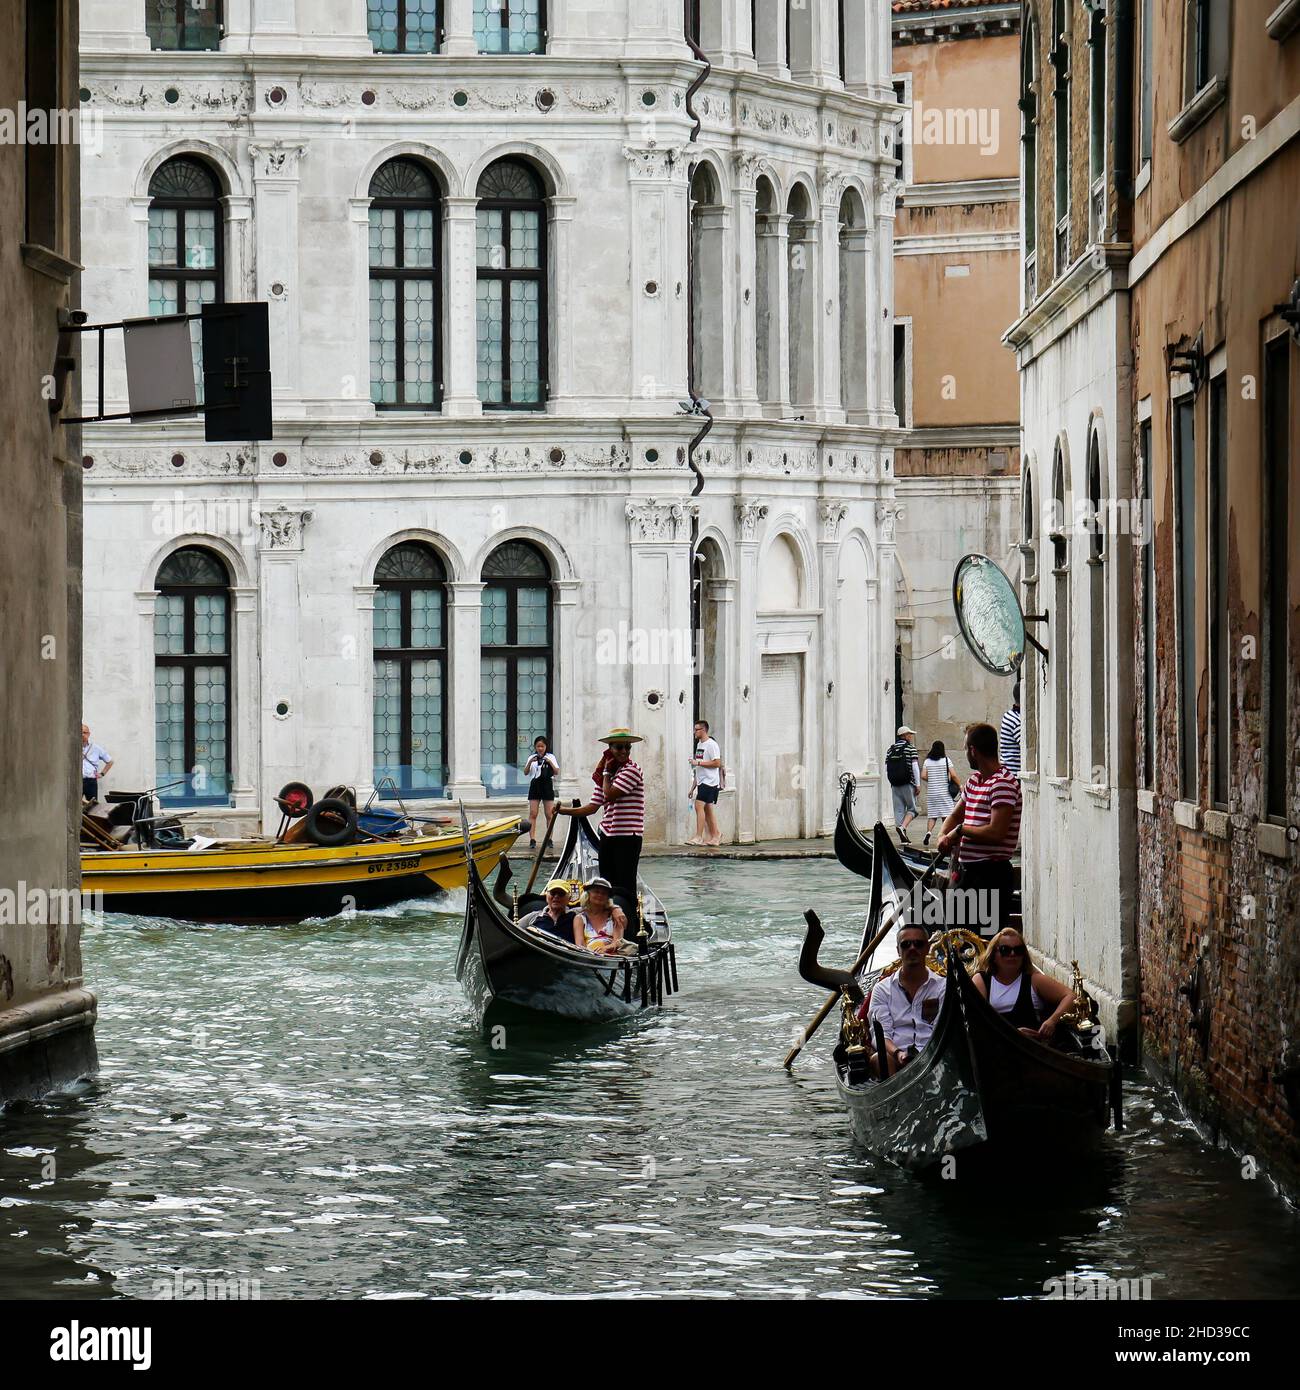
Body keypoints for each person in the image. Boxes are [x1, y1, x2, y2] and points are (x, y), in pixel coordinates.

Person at [935, 722, 1022, 936]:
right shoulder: (975, 781)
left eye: (965, 749)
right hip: (966, 874)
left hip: (990, 876)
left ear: (973, 750)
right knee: (955, 937)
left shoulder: (1003, 784)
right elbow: (955, 815)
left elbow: (996, 832)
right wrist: (942, 836)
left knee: (982, 941)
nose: (965, 753)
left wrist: (960, 831)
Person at [555, 728, 645, 899]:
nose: (624, 751)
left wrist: (605, 773)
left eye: (627, 747)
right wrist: (563, 811)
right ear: (610, 749)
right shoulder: (606, 777)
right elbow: (592, 807)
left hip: (627, 838)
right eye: (619, 747)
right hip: (608, 836)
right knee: (607, 884)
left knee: (625, 886)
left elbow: (609, 794)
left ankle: (627, 920)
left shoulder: (632, 770)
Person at [860, 924, 944, 1078]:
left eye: (918, 944)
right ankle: (894, 1101)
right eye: (906, 944)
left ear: (927, 948)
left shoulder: (942, 987)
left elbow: (942, 1029)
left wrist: (928, 1055)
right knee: (880, 1058)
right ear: (898, 950)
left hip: (934, 1055)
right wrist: (898, 1053)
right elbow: (881, 1034)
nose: (912, 948)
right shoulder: (882, 990)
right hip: (896, 1057)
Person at [971, 927, 1075, 1042]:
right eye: (1005, 950)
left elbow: (1071, 996)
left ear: (1023, 955)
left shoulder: (1035, 980)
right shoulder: (981, 980)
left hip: (1030, 1049)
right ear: (993, 955)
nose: (1012, 954)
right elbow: (977, 1020)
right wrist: (1013, 1033)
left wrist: (1052, 1020)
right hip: (995, 1045)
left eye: (1018, 950)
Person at [687, 718, 723, 847]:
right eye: (694, 729)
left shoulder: (711, 744)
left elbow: (717, 763)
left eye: (697, 729)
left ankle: (698, 836)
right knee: (707, 809)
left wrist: (699, 762)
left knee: (698, 806)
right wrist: (693, 787)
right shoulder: (699, 745)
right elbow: (699, 768)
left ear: (704, 730)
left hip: (710, 782)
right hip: (702, 781)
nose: (695, 732)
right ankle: (716, 835)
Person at [919, 739, 960, 847]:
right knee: (946, 815)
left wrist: (932, 779)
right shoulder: (946, 760)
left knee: (932, 816)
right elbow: (954, 775)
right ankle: (945, 835)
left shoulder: (927, 761)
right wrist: (960, 785)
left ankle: (928, 832)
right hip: (944, 793)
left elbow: (923, 775)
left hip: (932, 793)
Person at [572, 876, 628, 955]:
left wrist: (605, 948)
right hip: (588, 958)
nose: (600, 895)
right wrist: (593, 954)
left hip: (611, 957)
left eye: (604, 893)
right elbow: (579, 945)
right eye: (596, 891)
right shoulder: (579, 918)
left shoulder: (615, 916)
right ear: (588, 894)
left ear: (608, 898)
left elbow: (618, 942)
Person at [885, 725, 921, 844]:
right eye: (909, 734)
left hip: (894, 784)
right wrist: (918, 784)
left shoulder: (890, 749)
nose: (911, 736)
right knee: (913, 809)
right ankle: (902, 827)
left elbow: (887, 767)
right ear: (904, 735)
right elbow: (915, 767)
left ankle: (903, 836)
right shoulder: (911, 749)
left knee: (899, 810)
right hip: (907, 783)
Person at [522, 736, 559, 849]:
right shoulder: (532, 757)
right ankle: (532, 839)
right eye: (538, 746)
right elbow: (525, 772)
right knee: (533, 813)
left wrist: (549, 762)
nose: (540, 748)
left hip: (547, 785)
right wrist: (530, 762)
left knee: (549, 814)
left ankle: (549, 839)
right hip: (535, 785)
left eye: (542, 746)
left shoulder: (551, 756)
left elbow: (556, 771)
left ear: (546, 746)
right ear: (535, 747)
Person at [81, 724, 113, 803]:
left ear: (89, 734)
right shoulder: (72, 747)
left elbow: (110, 761)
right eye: (80, 732)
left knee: (93, 806)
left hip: (91, 781)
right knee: (74, 805)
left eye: (85, 732)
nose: (82, 734)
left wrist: (102, 774)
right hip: (77, 781)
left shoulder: (95, 748)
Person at [999, 682, 1022, 776]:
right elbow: (1027, 746)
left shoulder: (1009, 715)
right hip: (1014, 775)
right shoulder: (1017, 720)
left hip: (1008, 772)